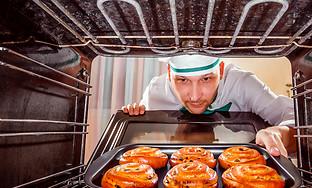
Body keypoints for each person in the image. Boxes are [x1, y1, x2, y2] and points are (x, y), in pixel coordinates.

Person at [122, 54, 297, 158]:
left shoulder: (242, 84)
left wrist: (279, 133)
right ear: (169, 74)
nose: (195, 96)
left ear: (220, 70)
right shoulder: (156, 92)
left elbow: (293, 117)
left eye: (206, 79)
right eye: (183, 80)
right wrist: (134, 112)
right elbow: (140, 120)